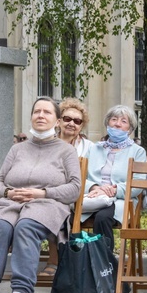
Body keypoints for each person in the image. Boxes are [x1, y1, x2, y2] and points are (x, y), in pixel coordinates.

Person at [0, 97, 81, 293]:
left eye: (47, 112)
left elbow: (74, 189)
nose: (40, 116)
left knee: (26, 226)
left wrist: (43, 192)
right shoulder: (17, 149)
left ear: (57, 121)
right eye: (37, 111)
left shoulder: (66, 151)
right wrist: (9, 192)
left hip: (47, 204)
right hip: (11, 203)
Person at [81, 105, 147, 253]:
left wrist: (112, 190)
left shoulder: (138, 151)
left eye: (124, 121)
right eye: (114, 119)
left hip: (121, 200)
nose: (117, 123)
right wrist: (94, 188)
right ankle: (75, 263)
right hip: (91, 197)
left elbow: (138, 183)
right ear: (107, 123)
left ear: (130, 129)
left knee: (102, 218)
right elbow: (80, 177)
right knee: (65, 214)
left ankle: (104, 266)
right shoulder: (94, 149)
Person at [38, 97, 93, 278]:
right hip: (48, 193)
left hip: (77, 195)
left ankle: (54, 261)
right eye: (67, 119)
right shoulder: (47, 143)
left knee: (56, 208)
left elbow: (92, 177)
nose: (71, 124)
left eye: (77, 121)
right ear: (59, 121)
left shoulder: (89, 148)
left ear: (81, 126)